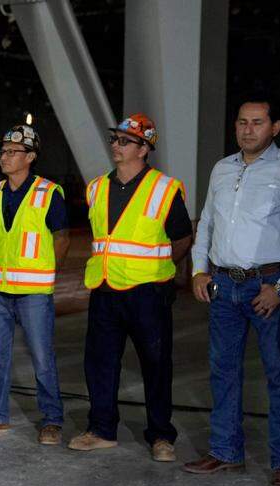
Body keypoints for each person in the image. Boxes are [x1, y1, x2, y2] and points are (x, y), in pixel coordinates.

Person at [183, 95, 280, 486]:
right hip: (223, 286)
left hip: (267, 287)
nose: (247, 129)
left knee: (279, 375)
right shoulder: (222, 169)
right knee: (223, 371)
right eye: (242, 122)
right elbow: (207, 222)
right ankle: (225, 451)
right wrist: (199, 270)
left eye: (257, 122)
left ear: (275, 127)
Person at [69, 113, 193, 462]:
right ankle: (101, 429)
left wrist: (158, 269)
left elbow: (183, 238)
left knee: (156, 364)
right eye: (115, 139)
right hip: (105, 288)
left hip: (147, 293)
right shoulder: (96, 188)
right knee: (100, 363)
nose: (116, 145)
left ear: (144, 149)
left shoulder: (164, 188)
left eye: (125, 141)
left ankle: (161, 435)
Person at [0, 125, 70, 443]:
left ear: (31, 157)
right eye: (3, 151)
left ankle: (52, 420)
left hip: (33, 292)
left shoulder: (48, 193)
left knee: (42, 358)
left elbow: (62, 239)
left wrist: (47, 274)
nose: (5, 156)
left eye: (13, 152)